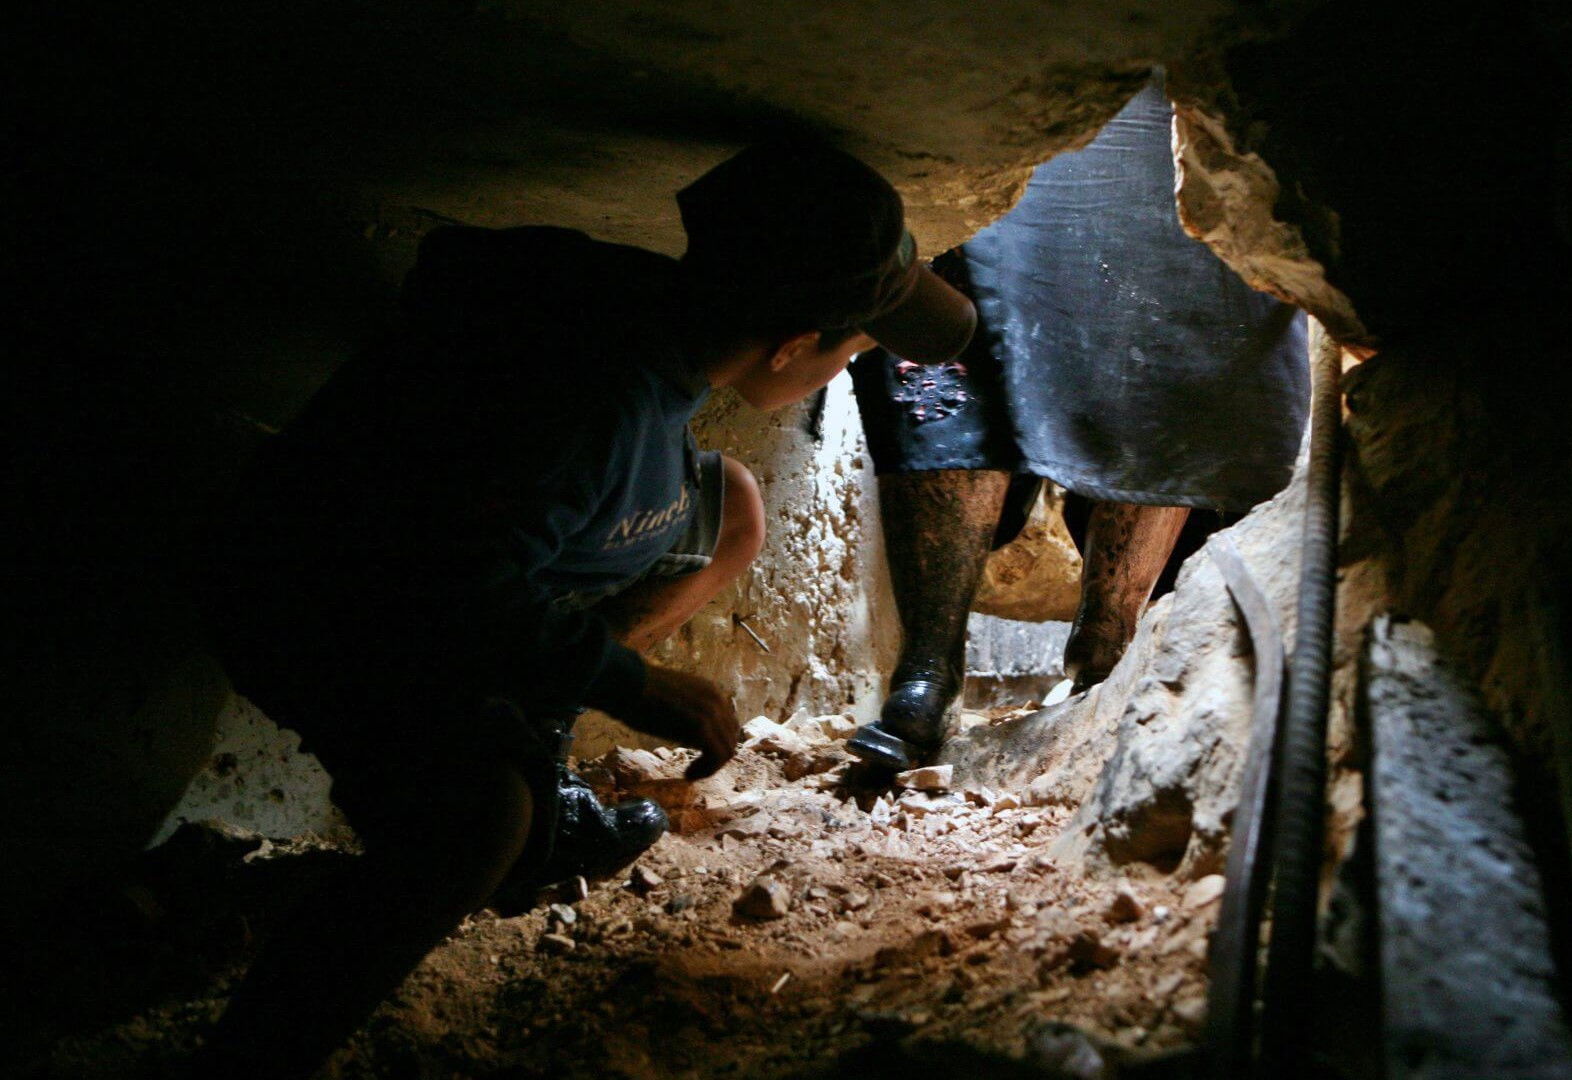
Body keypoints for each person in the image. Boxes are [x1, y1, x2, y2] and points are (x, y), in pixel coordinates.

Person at [191, 138, 975, 1077]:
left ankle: (533, 739)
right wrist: (629, 682)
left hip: (449, 561)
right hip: (320, 602)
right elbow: (445, 583)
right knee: (480, 824)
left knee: (731, 510)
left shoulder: (649, 306)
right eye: (852, 350)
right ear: (793, 345)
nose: (843, 372)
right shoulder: (593, 403)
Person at [846, 77, 1311, 772]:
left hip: (1169, 113)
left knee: (1170, 328)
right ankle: (928, 669)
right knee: (954, 341)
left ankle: (1105, 647)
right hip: (1005, 96)